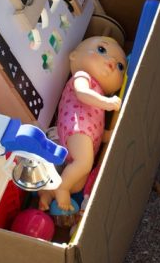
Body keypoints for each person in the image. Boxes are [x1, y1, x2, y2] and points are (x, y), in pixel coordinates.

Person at [39, 36, 127, 212]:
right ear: (74, 56)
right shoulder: (82, 76)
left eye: (120, 66)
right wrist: (107, 102)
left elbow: (97, 125)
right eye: (102, 50)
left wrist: (108, 135)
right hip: (76, 126)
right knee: (84, 164)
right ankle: (62, 188)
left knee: (78, 184)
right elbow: (82, 94)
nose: (111, 62)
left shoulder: (101, 93)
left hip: (85, 136)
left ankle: (47, 193)